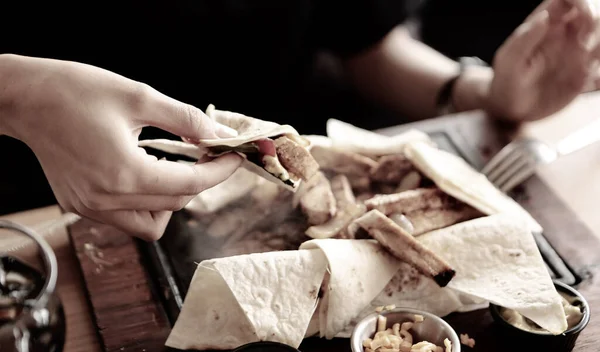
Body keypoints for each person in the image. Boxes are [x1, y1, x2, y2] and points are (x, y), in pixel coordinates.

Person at [0, 0, 598, 241]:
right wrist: (21, 95)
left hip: (265, 208)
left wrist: (484, 92)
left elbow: (365, 41)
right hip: (30, 222)